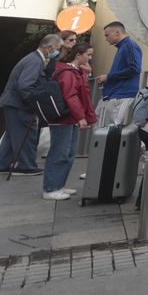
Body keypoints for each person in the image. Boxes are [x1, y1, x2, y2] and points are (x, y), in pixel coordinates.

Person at [0, 32, 59, 175]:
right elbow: (25, 85)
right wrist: (33, 104)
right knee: (26, 135)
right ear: (48, 47)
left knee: (12, 136)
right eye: (56, 49)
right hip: (19, 104)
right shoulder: (35, 61)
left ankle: (0, 166)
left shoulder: (32, 59)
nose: (57, 53)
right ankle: (26, 166)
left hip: (13, 103)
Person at [42, 43, 97, 200]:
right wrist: (82, 117)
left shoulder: (73, 71)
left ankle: (58, 185)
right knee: (60, 152)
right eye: (88, 55)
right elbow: (71, 96)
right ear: (78, 55)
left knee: (67, 153)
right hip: (65, 118)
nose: (90, 58)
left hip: (68, 117)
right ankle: (51, 188)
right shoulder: (68, 72)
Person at [94, 21, 142, 128]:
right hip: (116, 93)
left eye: (107, 35)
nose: (106, 38)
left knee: (111, 129)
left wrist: (108, 76)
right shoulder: (124, 46)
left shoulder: (129, 45)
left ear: (117, 32)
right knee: (105, 128)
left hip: (121, 93)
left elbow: (134, 69)